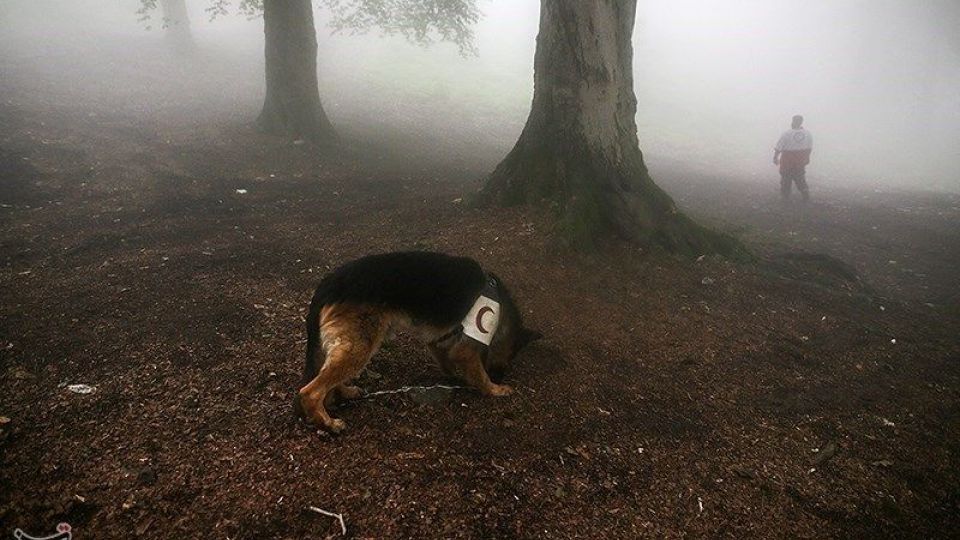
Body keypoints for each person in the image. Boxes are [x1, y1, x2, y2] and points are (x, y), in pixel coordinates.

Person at [773, 115, 813, 203]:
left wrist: (775, 157)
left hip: (787, 159)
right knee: (800, 177)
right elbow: (809, 148)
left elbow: (779, 147)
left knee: (786, 177)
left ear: (793, 121)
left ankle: (785, 197)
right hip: (800, 160)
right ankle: (805, 193)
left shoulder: (787, 133)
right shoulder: (808, 134)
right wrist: (807, 158)